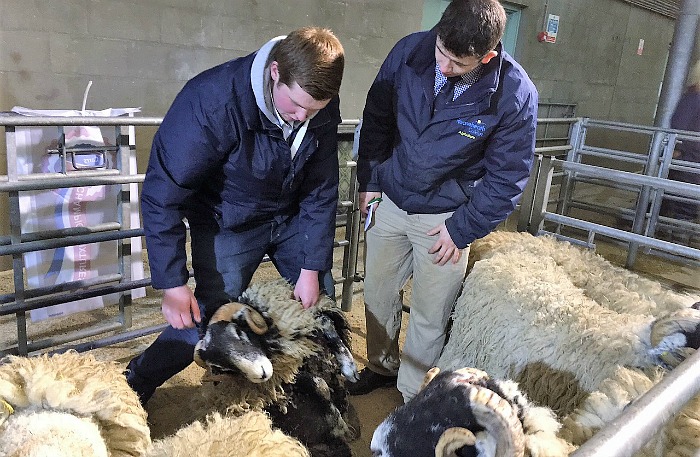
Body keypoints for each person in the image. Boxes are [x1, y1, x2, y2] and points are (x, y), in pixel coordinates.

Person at [125, 27, 345, 405]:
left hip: (290, 215)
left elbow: (321, 188)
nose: (301, 117)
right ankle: (136, 381)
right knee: (209, 316)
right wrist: (173, 284)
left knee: (319, 301)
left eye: (315, 110)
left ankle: (307, 388)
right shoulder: (211, 103)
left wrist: (311, 268)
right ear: (276, 71)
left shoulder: (315, 101)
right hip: (229, 219)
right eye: (294, 106)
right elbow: (163, 193)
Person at [352, 0, 538, 402]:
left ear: (487, 55)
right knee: (376, 293)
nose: (444, 66)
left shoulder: (514, 93)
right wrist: (370, 177)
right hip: (393, 198)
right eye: (441, 52)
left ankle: (410, 394)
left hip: (446, 217)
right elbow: (378, 116)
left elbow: (507, 177)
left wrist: (461, 229)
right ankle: (382, 367)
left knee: (428, 315)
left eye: (458, 63)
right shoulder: (409, 52)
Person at [659, 60, 700, 228]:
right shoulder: (694, 97)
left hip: (690, 156)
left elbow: (678, 122)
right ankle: (677, 239)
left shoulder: (693, 97)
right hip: (690, 157)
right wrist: (680, 148)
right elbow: (679, 124)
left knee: (676, 199)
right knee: (684, 203)